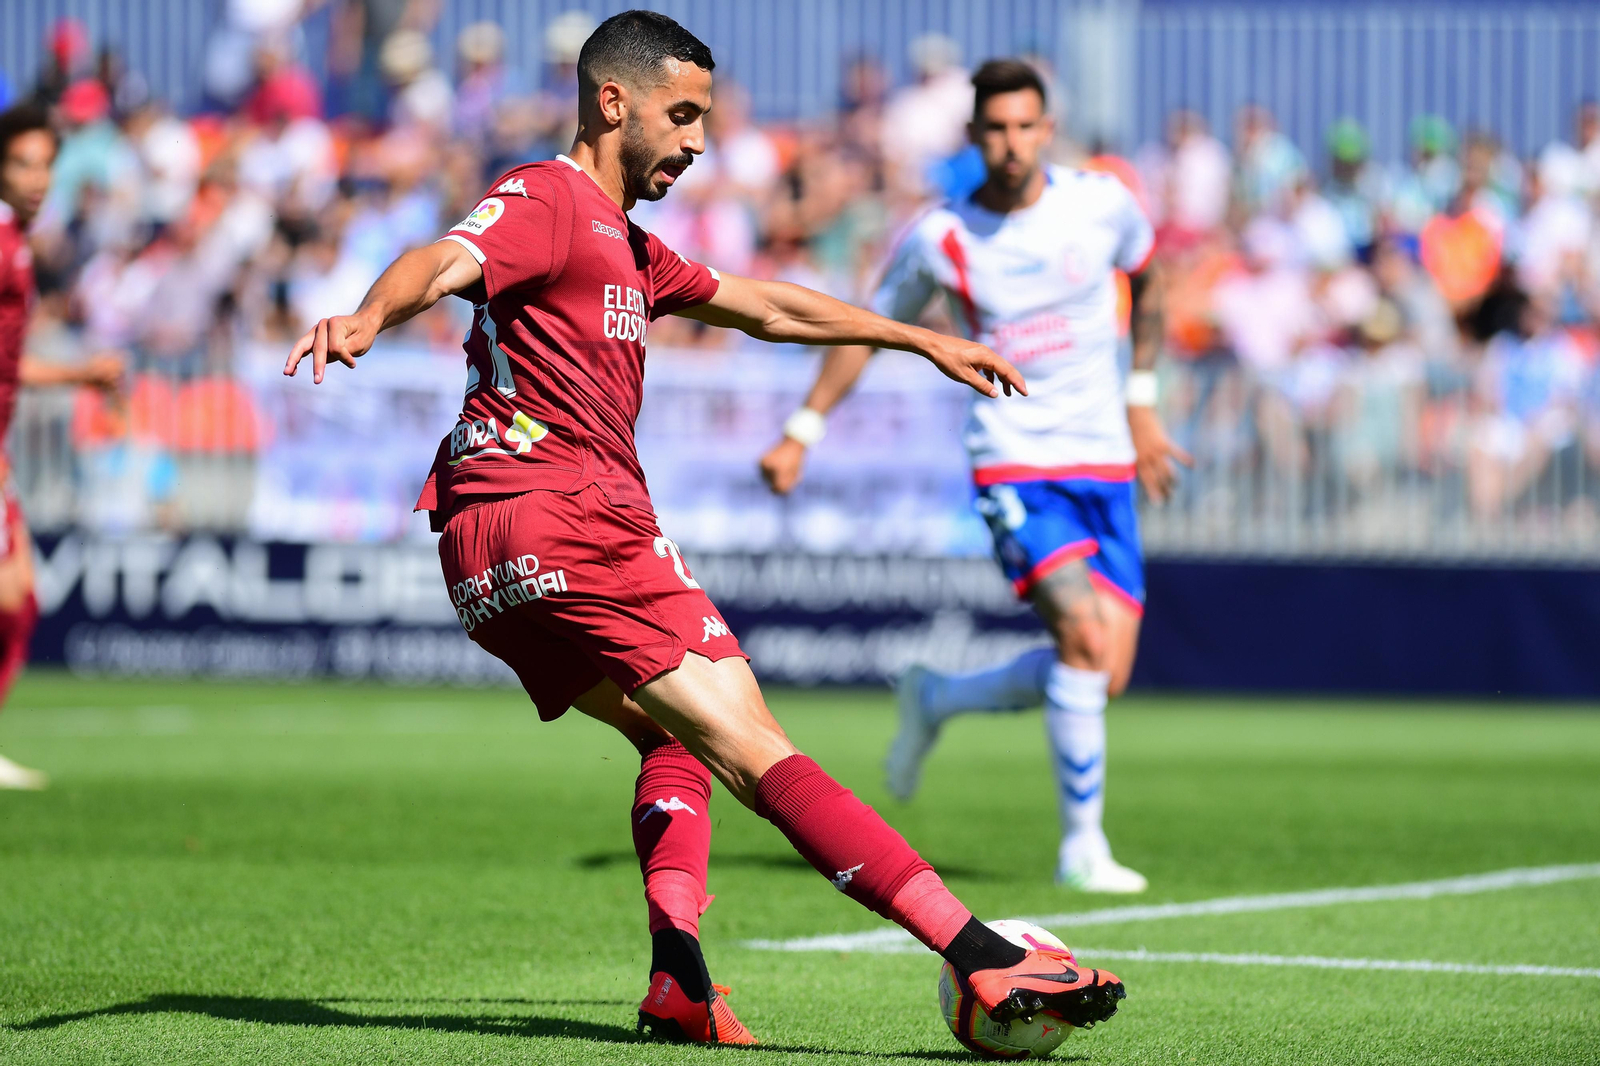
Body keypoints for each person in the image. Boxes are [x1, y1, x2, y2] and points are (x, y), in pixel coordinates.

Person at [282, 12, 1126, 1047]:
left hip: (486, 545)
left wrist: (915, 337)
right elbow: (444, 258)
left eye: (703, 120)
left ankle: (678, 976)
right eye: (680, 116)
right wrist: (371, 315)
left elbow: (768, 307)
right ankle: (980, 954)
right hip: (565, 511)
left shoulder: (629, 247)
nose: (694, 142)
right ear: (612, 102)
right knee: (752, 745)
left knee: (669, 737)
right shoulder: (549, 197)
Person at [759, 60, 1187, 894]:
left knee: (1102, 674)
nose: (1012, 143)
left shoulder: (1102, 204)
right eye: (996, 129)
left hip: (1105, 459)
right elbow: (868, 330)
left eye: (1026, 126)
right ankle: (1082, 849)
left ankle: (940, 699)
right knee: (1082, 641)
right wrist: (802, 430)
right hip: (1015, 458)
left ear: (1047, 128)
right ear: (974, 136)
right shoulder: (942, 235)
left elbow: (1153, 284)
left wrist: (1143, 403)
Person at [0, 105, 122, 789]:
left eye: (46, 163)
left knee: (19, 599)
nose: (39, 177)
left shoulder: (16, 239)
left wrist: (75, 374)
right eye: (23, 162)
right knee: (12, 597)